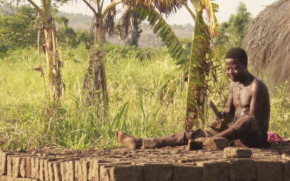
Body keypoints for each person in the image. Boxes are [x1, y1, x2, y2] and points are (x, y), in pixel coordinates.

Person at [116, 47, 271, 150]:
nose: (231, 72)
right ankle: (141, 142)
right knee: (191, 134)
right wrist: (222, 117)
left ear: (245, 64)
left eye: (235, 68)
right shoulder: (233, 85)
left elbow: (253, 121)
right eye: (228, 69)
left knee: (246, 120)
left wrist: (229, 127)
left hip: (254, 139)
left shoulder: (256, 86)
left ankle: (208, 142)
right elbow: (230, 114)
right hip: (233, 137)